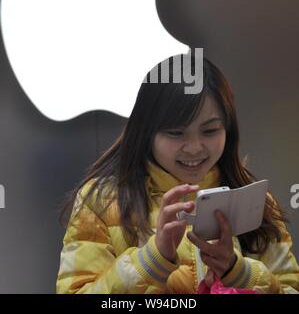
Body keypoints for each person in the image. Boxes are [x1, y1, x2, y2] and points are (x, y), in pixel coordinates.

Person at [56, 53, 299, 294]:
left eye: (210, 130)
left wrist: (239, 272)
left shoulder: (256, 201)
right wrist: (152, 260)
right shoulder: (100, 202)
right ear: (146, 132)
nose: (194, 148)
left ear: (229, 128)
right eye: (175, 133)